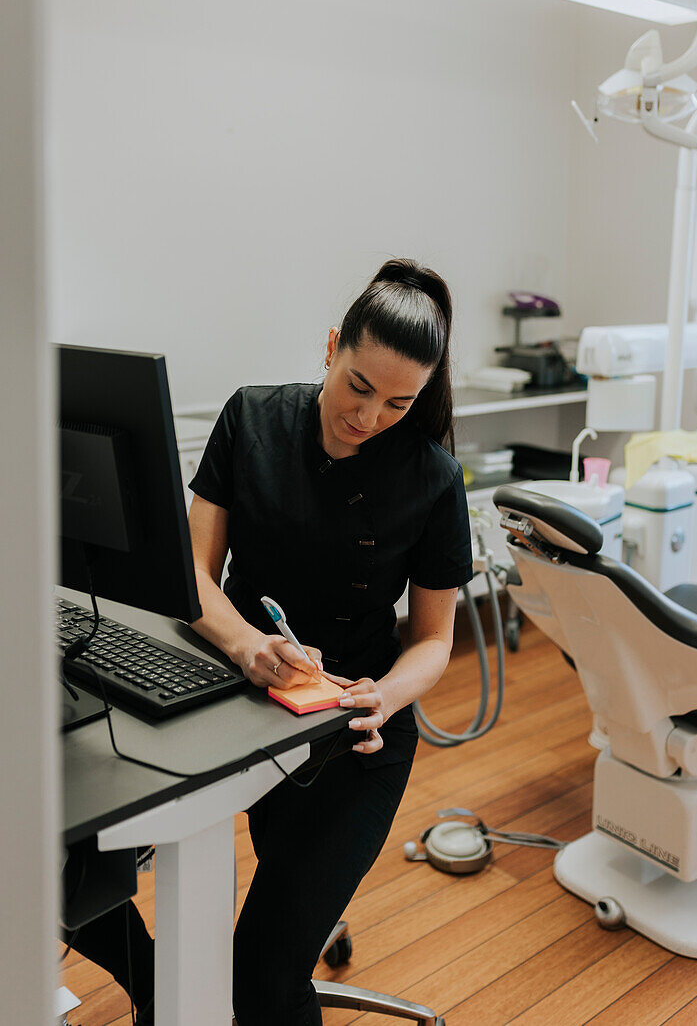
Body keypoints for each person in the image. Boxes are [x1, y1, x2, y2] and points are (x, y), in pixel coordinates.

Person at [187, 258, 473, 1025]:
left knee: (260, 975)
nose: (370, 416)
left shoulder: (432, 479)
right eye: (358, 386)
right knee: (231, 934)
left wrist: (386, 695)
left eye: (398, 403)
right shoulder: (252, 420)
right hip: (248, 706)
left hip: (356, 728)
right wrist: (250, 646)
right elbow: (192, 579)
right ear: (328, 347)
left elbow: (433, 641)